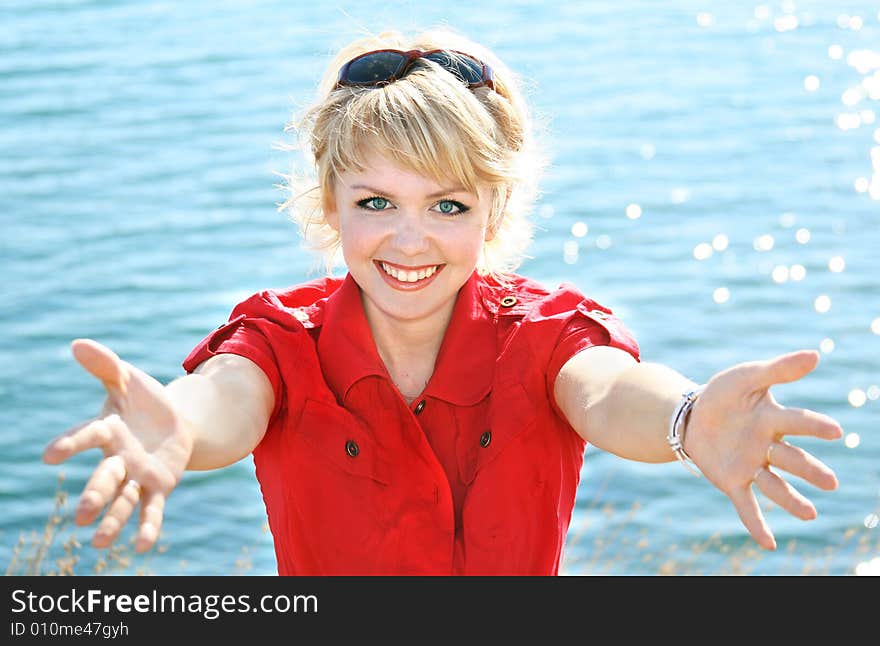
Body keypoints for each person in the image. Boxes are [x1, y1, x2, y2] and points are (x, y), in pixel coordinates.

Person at [42, 28, 843, 576]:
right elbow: (227, 398)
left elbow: (603, 390)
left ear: (494, 212)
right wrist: (179, 426)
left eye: (448, 206)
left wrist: (689, 419)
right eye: (376, 203)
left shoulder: (546, 333)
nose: (410, 241)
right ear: (330, 204)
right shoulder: (280, 339)